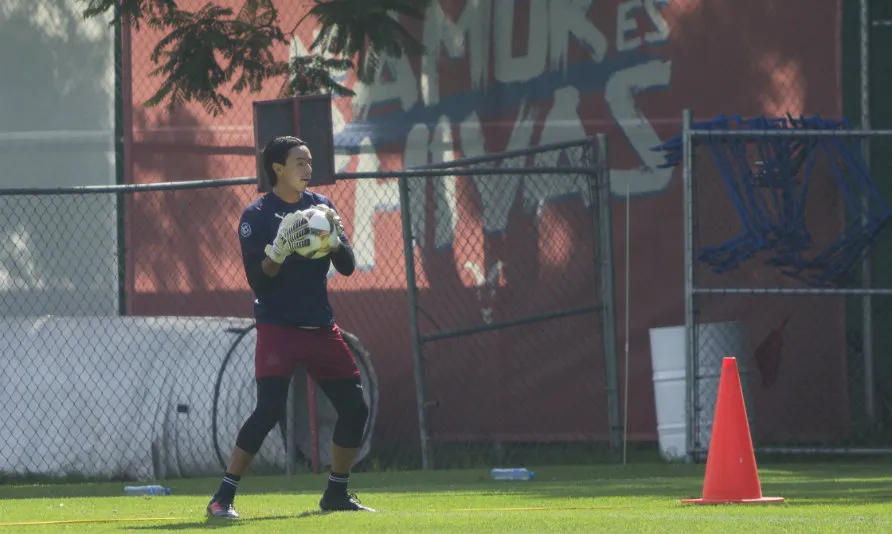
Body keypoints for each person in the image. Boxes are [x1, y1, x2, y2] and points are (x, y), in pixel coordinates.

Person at [206, 136, 374, 519]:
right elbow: (258, 281)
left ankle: (336, 493)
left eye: (310, 161)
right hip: (278, 327)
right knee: (268, 410)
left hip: (320, 327)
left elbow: (346, 267)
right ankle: (222, 498)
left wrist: (334, 241)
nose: (308, 168)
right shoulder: (257, 215)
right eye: (300, 161)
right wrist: (277, 251)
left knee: (355, 408)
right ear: (277, 168)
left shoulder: (322, 207)